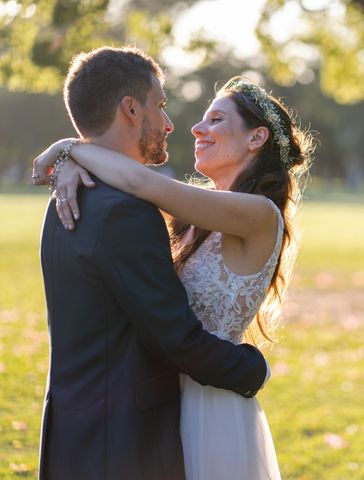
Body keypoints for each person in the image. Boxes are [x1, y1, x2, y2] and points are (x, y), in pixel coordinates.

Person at [33, 51, 313, 479]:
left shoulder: (258, 214)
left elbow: (137, 180)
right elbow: (130, 188)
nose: (193, 128)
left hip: (209, 399)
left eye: (216, 120)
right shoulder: (188, 217)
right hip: (161, 401)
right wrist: (72, 158)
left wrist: (70, 148)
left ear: (256, 139)